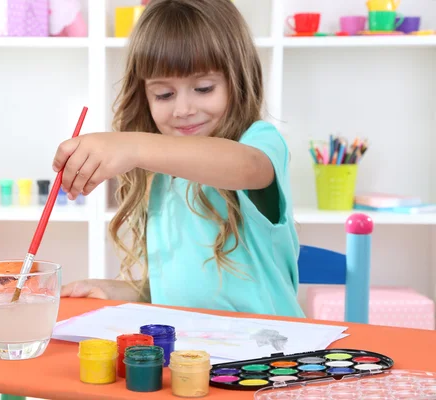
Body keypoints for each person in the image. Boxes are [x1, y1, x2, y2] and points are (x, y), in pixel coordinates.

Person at [52, 0, 305, 318]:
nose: (183, 109)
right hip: (199, 355)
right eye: (164, 95)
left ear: (237, 78)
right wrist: (119, 291)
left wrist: (134, 147)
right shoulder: (161, 177)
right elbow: (187, 293)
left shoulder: (258, 143)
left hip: (273, 353)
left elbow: (247, 166)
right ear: (144, 96)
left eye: (203, 88)